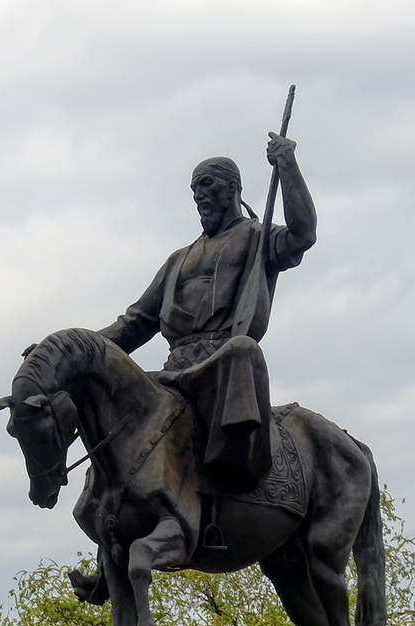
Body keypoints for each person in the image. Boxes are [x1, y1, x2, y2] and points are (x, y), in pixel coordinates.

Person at [98, 134, 317, 498]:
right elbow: (134, 324)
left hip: (223, 367)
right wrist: (75, 345)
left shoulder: (256, 238)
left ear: (233, 188)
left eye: (206, 183)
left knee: (242, 349)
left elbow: (303, 234)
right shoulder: (177, 260)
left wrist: (288, 165)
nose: (199, 194)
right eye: (194, 188)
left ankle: (234, 465)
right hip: (176, 373)